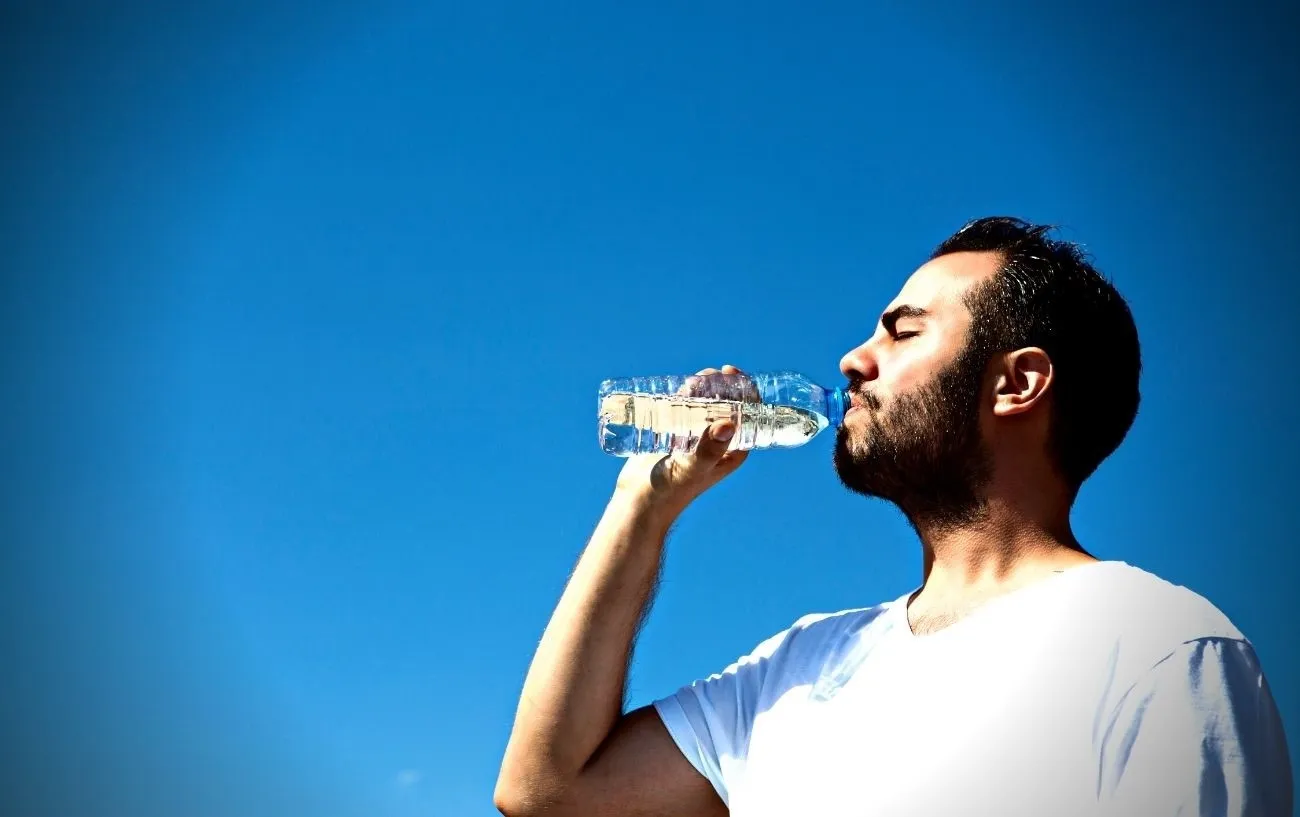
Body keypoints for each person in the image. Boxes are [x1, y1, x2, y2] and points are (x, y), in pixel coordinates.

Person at [493, 217, 1292, 816]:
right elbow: (547, 791)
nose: (852, 359)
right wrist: (645, 503)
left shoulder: (1160, 647)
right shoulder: (798, 664)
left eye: (903, 331)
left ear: (1018, 385)